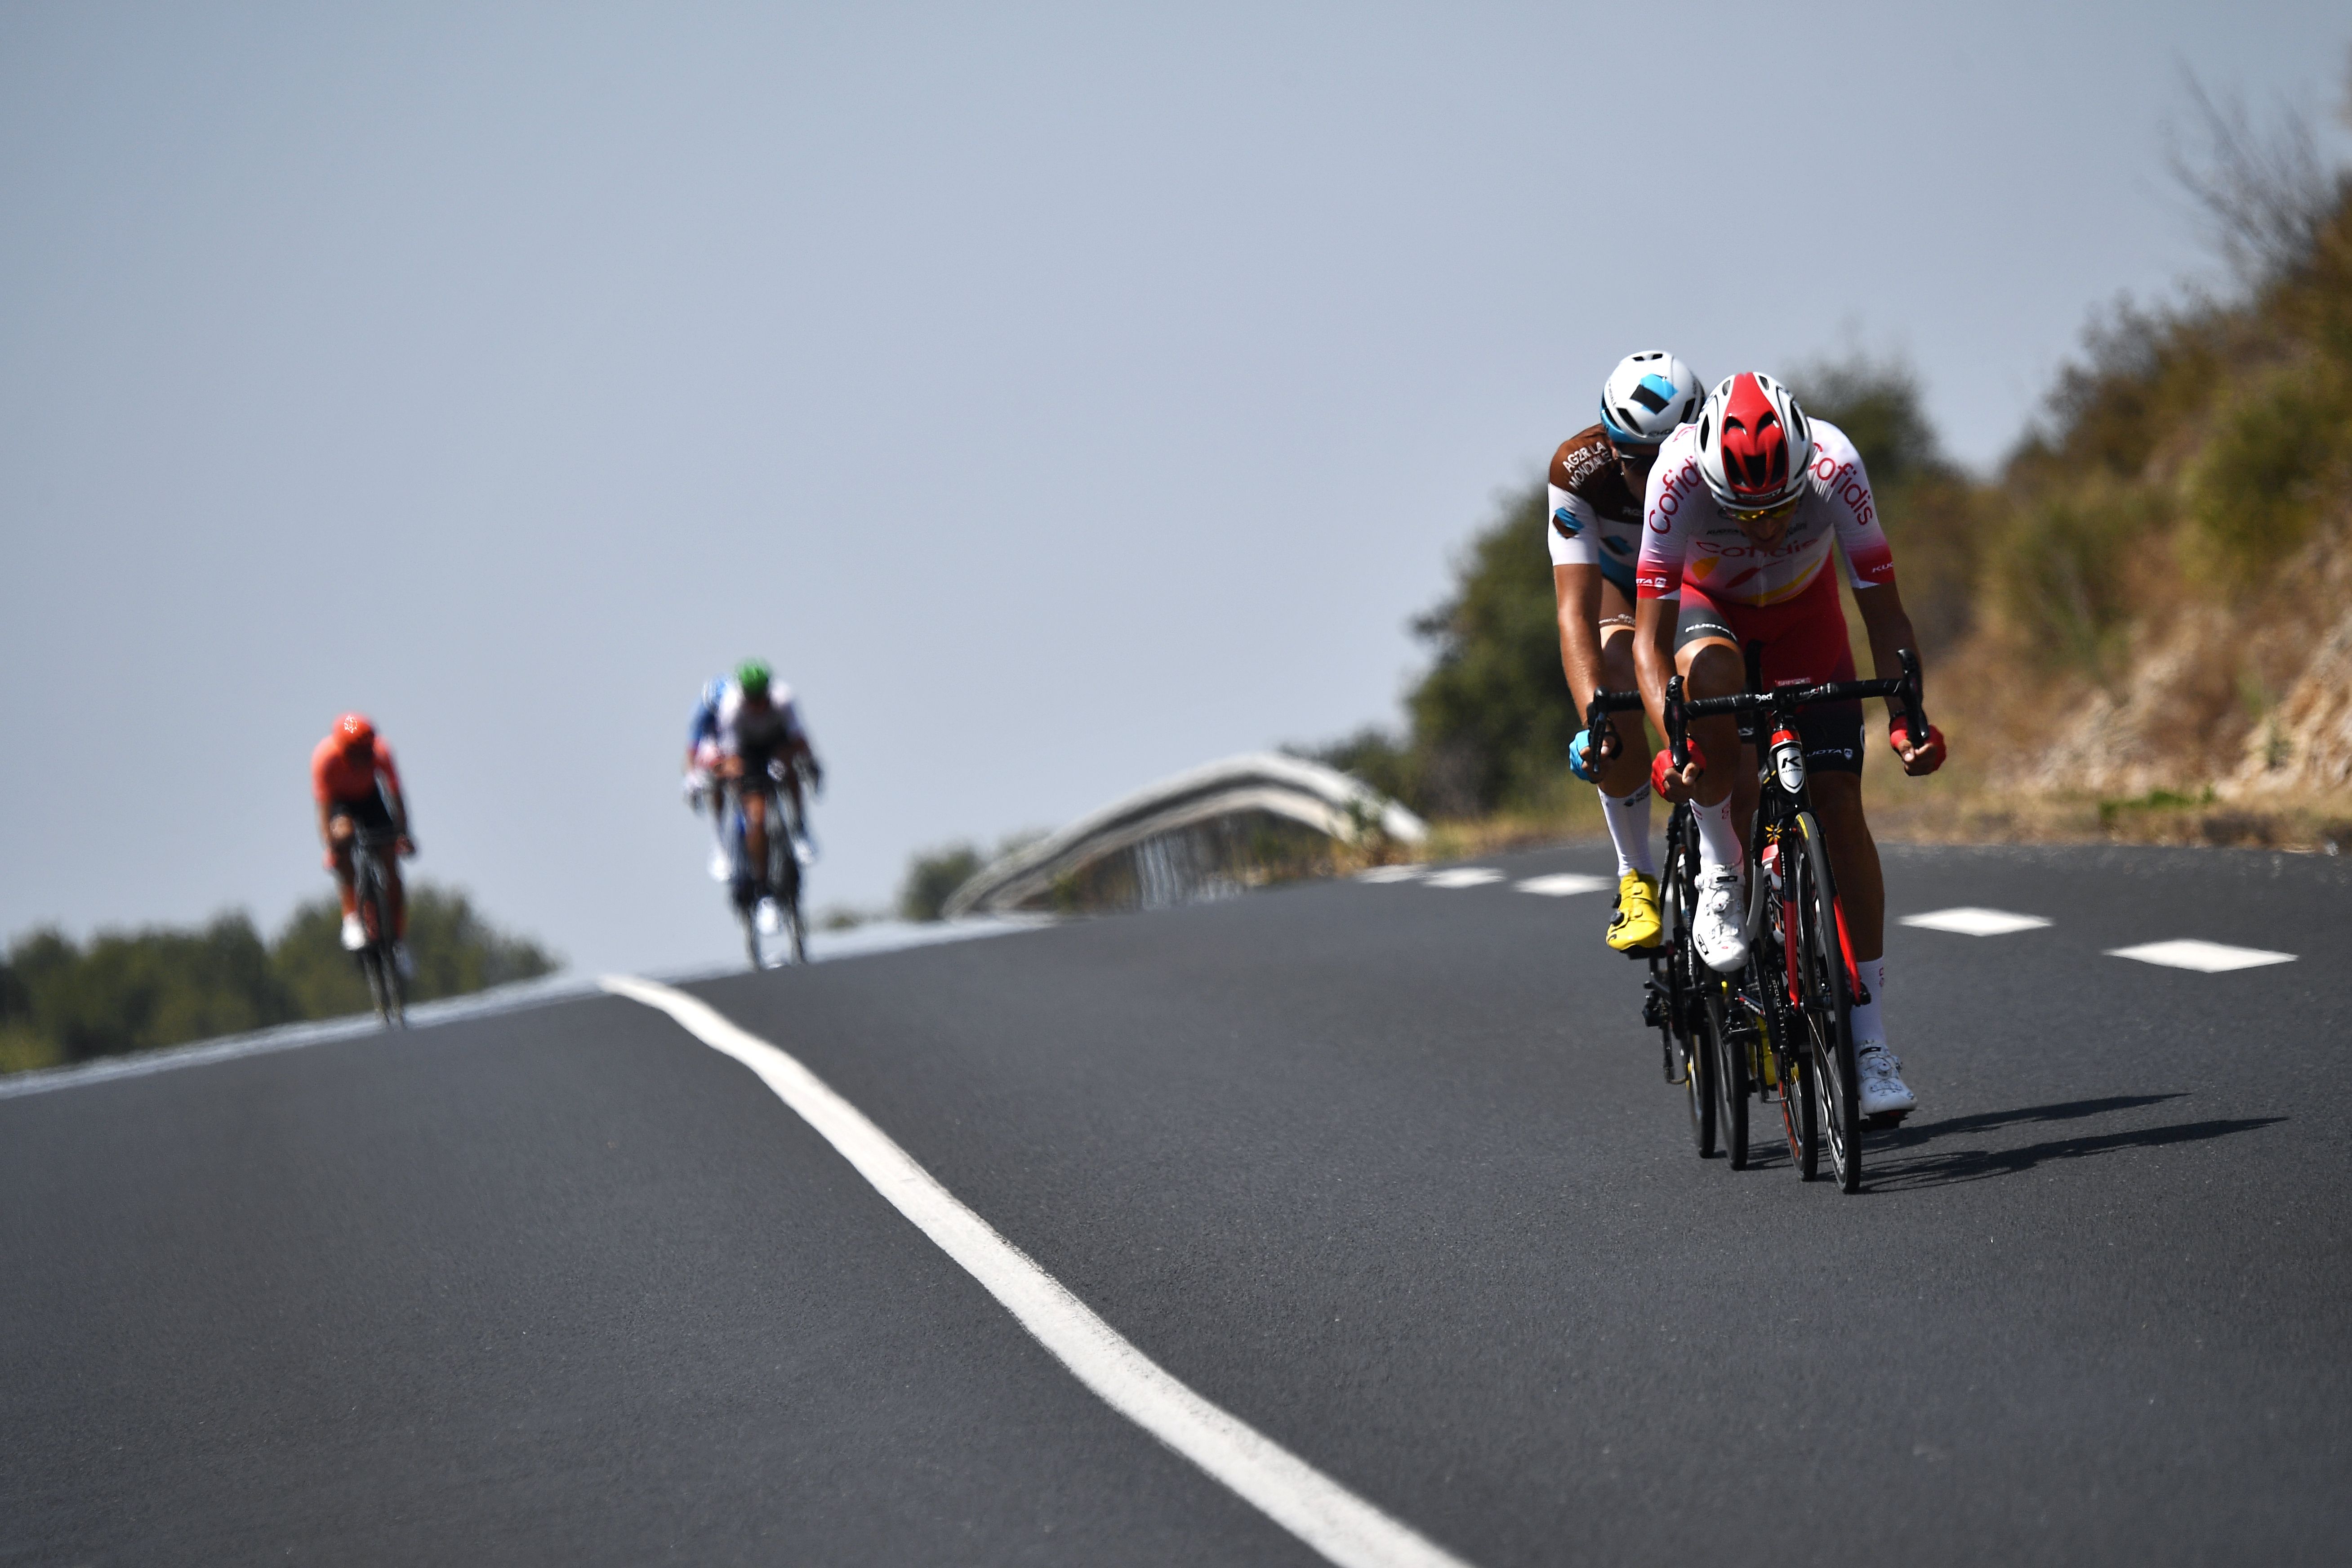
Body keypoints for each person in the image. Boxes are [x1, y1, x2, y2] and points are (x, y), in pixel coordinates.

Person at [1631, 373, 1947, 1118]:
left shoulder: (1837, 463)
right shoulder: (1675, 477)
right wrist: (1674, 742)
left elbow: (1885, 615)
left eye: (1780, 507)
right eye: (1746, 512)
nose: (1767, 528)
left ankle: (1868, 1044)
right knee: (1712, 691)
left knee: (1839, 805)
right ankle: (1720, 868)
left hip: (1807, 618)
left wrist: (1907, 716)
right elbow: (1648, 644)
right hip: (1709, 614)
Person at [1549, 351, 1706, 952]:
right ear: (1612, 447)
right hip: (1619, 585)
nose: (1656, 476)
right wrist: (1596, 719)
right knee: (1616, 667)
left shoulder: (1715, 457)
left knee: (1708, 667)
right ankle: (1636, 876)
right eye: (1639, 462)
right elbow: (1575, 612)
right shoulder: (1578, 469)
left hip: (1694, 582)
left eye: (1669, 457)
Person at [686, 661, 824, 929]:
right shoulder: (731, 710)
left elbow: (799, 738)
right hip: (746, 750)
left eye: (763, 699)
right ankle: (762, 888)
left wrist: (810, 765)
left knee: (792, 768)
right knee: (756, 817)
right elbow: (731, 757)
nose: (759, 706)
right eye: (753, 700)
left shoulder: (784, 699)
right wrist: (714, 776)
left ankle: (799, 830)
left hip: (775, 742)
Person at [311, 713, 416, 975]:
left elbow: (395, 795)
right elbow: (324, 809)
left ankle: (397, 941)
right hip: (341, 806)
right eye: (356, 752)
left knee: (391, 866)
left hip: (371, 801)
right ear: (344, 750)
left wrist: (403, 834)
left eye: (366, 751)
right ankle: (352, 918)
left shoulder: (381, 752)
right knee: (343, 837)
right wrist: (331, 847)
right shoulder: (325, 759)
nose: (363, 757)